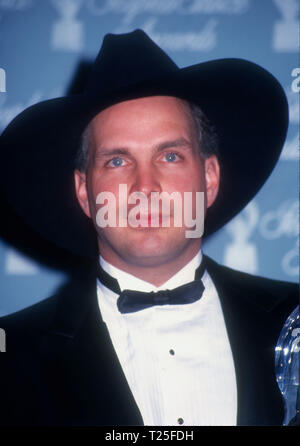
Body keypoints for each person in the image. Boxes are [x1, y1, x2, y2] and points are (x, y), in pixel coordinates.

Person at [0, 29, 298, 426]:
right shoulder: (10, 358)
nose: (145, 188)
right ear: (84, 193)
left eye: (170, 155)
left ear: (208, 178)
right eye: (117, 162)